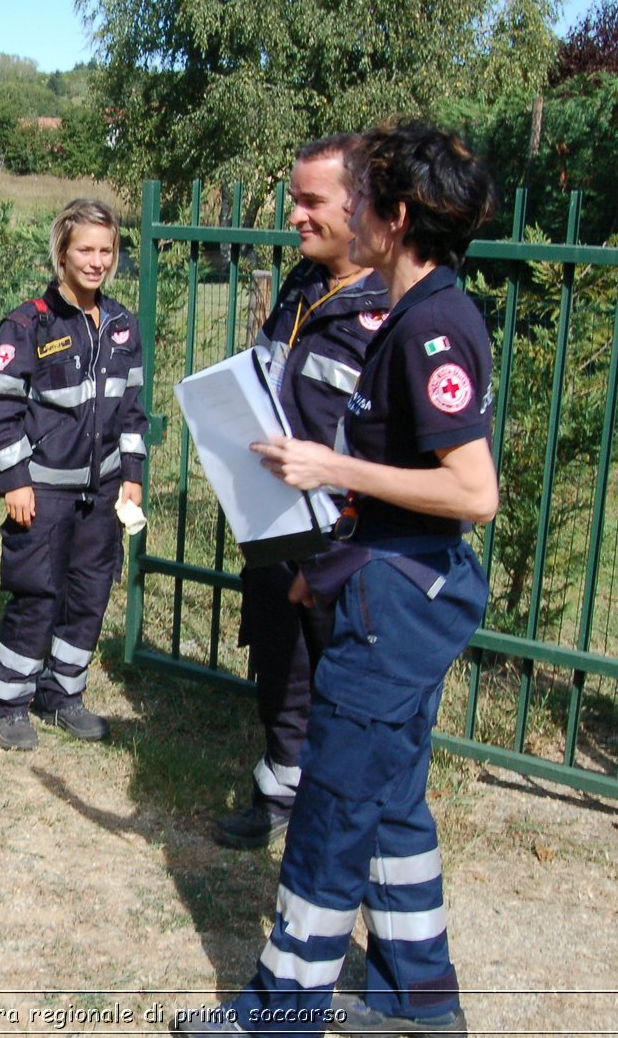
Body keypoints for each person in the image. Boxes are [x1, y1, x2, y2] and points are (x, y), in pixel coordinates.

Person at [174, 122, 497, 1035]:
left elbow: (474, 491)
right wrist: (332, 566)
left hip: (398, 607)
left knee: (333, 809)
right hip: (379, 581)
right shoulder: (409, 310)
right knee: (391, 806)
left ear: (394, 218)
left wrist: (333, 469)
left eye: (361, 200)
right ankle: (419, 1001)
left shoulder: (431, 325)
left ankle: (280, 1011)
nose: (344, 211)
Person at [214, 135, 390, 850]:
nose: (296, 215)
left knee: (343, 682)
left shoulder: (392, 312)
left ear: (362, 206)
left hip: (349, 540)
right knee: (281, 666)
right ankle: (278, 790)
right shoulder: (301, 286)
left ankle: (340, 815)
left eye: (311, 200)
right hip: (276, 520)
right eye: (294, 198)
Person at [0, 199, 147, 751]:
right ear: (62, 253)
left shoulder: (123, 325)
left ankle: (63, 693)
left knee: (89, 594)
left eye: (106, 250)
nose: (96, 262)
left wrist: (132, 474)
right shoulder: (29, 323)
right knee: (38, 595)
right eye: (85, 250)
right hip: (44, 489)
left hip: (102, 493)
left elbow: (132, 410)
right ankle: (8, 700)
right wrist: (16, 480)